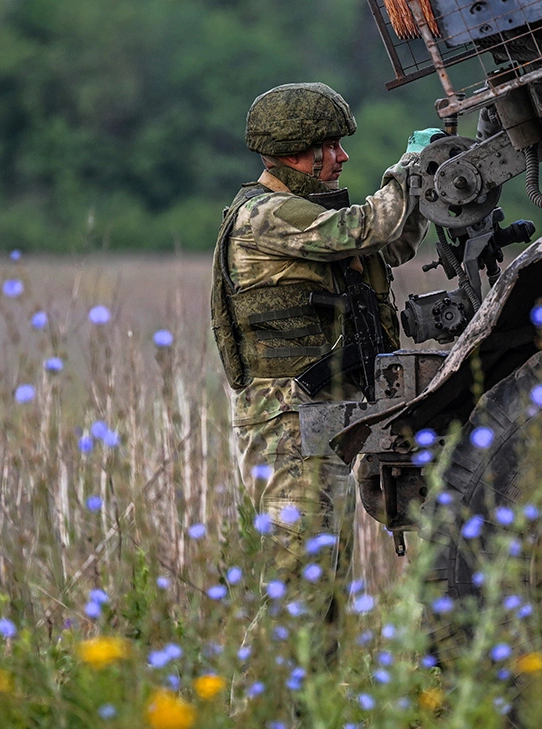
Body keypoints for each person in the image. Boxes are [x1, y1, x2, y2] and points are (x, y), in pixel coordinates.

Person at [211, 82, 435, 621]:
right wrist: (410, 167)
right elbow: (360, 228)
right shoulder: (265, 217)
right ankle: (260, 705)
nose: (342, 157)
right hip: (287, 421)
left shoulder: (304, 217)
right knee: (299, 583)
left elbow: (387, 242)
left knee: (327, 583)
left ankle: (314, 705)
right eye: (330, 147)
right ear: (294, 153)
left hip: (318, 419)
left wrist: (429, 189)